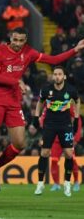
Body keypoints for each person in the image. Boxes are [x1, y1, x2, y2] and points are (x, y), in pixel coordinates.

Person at [0, 27, 84, 199]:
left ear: (25, 40)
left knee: (20, 143)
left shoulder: (28, 52)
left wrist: (75, 50)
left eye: (21, 40)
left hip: (13, 101)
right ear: (10, 38)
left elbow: (53, 59)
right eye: (15, 39)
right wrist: (17, 81)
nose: (18, 44)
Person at [32, 66, 80, 197]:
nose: (57, 76)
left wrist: (76, 118)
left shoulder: (70, 90)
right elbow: (40, 102)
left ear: (64, 76)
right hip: (50, 125)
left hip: (65, 125)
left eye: (59, 74)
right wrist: (36, 116)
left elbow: (77, 100)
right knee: (45, 152)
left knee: (69, 154)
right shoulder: (47, 89)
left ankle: (67, 184)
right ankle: (40, 184)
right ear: (53, 76)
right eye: (55, 74)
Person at [38, 105, 82, 192]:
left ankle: (76, 182)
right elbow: (42, 120)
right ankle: (56, 184)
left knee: (71, 159)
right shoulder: (48, 106)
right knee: (54, 161)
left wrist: (76, 137)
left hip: (66, 136)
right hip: (55, 139)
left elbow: (78, 119)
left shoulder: (66, 104)